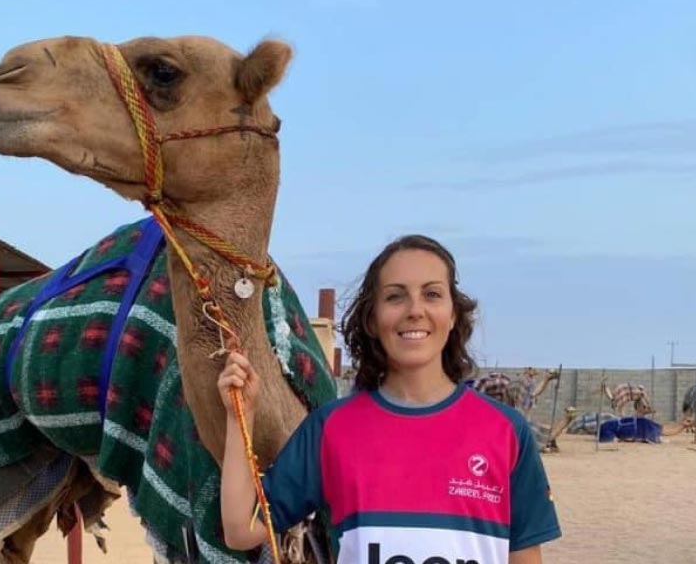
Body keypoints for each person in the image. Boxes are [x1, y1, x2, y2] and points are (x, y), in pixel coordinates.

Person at [219, 234, 561, 564]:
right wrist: (240, 417)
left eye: (432, 294)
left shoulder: (506, 431)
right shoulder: (332, 428)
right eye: (396, 296)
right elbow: (240, 530)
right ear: (372, 318)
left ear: (453, 313)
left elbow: (525, 556)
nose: (415, 310)